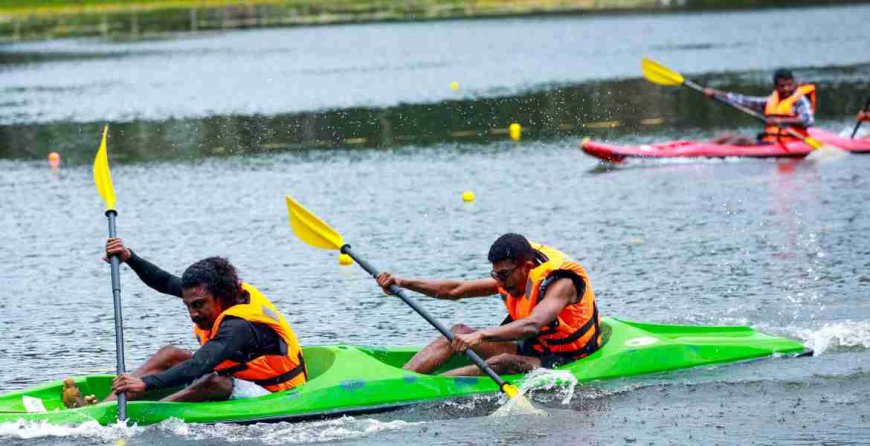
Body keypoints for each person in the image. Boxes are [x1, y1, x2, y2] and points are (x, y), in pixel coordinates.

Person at [64, 238, 306, 406]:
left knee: (213, 382)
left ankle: (144, 414)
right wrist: (130, 257)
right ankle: (102, 408)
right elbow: (165, 281)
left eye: (198, 305)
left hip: (276, 392)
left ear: (220, 297)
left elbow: (199, 365)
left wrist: (145, 383)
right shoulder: (211, 293)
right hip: (243, 375)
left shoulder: (239, 326)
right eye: (188, 305)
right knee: (169, 353)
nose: (193, 313)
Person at [375, 233, 601, 376]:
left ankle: (425, 389)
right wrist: (402, 283)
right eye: (495, 274)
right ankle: (400, 380)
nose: (499, 282)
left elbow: (533, 325)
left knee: (502, 362)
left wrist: (482, 335)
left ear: (528, 266)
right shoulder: (512, 275)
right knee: (457, 332)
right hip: (535, 348)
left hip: (568, 358)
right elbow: (455, 290)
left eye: (503, 275)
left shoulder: (562, 283)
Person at [704, 69, 815, 146]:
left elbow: (808, 120)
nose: (786, 89)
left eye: (789, 85)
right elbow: (745, 100)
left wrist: (780, 120)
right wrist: (716, 93)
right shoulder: (771, 100)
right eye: (782, 86)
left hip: (791, 141)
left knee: (742, 140)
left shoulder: (800, 101)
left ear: (794, 84)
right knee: (726, 135)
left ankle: (713, 153)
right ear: (776, 87)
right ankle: (701, 148)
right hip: (770, 139)